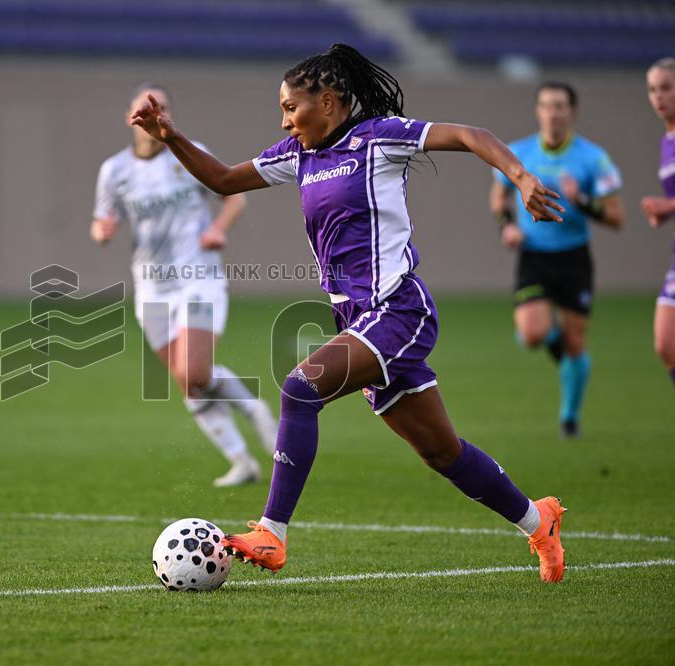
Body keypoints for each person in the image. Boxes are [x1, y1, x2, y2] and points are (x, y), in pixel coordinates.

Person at [131, 44, 568, 583]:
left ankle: (273, 532)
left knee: (299, 386)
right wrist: (171, 137)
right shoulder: (299, 156)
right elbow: (222, 180)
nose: (284, 120)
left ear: (330, 102)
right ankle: (538, 521)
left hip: (398, 310)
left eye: (291, 108)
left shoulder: (379, 138)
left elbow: (472, 136)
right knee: (441, 451)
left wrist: (520, 178)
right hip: (356, 321)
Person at [92, 82, 278, 487]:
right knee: (187, 382)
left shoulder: (190, 152)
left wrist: (217, 229)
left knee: (193, 370)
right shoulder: (115, 170)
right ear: (130, 116)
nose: (151, 114)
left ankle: (252, 407)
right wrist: (102, 230)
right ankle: (241, 460)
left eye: (160, 107)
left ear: (168, 115)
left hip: (198, 275)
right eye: (143, 107)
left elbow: (234, 196)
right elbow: (102, 220)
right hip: (151, 287)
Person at [490, 83, 625, 437]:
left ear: (572, 112)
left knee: (576, 343)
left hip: (574, 258)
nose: (554, 112)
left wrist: (581, 200)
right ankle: (544, 337)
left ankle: (569, 416)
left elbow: (617, 217)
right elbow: (499, 198)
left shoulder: (593, 159)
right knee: (534, 334)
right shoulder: (518, 153)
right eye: (547, 105)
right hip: (533, 255)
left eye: (561, 106)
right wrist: (507, 227)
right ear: (538, 111)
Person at [642, 58, 675, 386]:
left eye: (666, 88)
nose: (658, 96)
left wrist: (669, 206)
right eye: (652, 89)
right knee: (666, 344)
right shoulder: (667, 141)